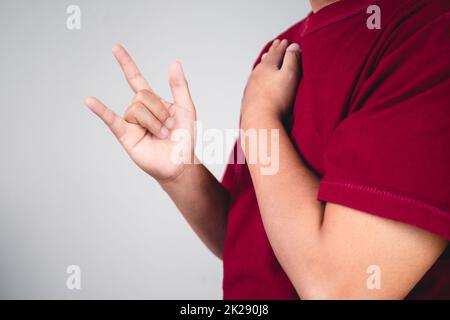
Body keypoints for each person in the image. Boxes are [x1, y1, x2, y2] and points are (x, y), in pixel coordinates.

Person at [85, 0, 450, 299]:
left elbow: (340, 291)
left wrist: (260, 114)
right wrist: (182, 173)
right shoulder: (281, 51)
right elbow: (252, 239)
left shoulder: (432, 35)